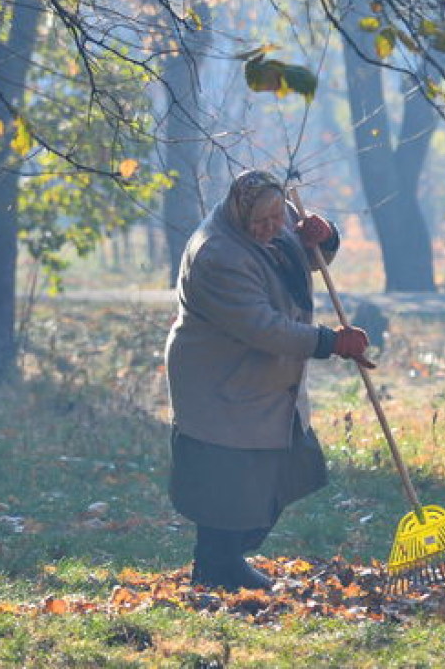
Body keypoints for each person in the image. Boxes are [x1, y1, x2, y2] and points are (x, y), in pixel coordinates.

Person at [164, 169, 371, 590]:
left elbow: (306, 260)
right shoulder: (218, 254)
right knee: (228, 479)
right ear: (240, 213)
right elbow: (263, 327)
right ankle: (217, 567)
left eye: (278, 218)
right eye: (261, 221)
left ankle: (224, 562)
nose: (272, 228)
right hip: (221, 380)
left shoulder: (273, 221)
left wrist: (324, 236)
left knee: (286, 471)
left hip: (266, 383)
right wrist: (330, 342)